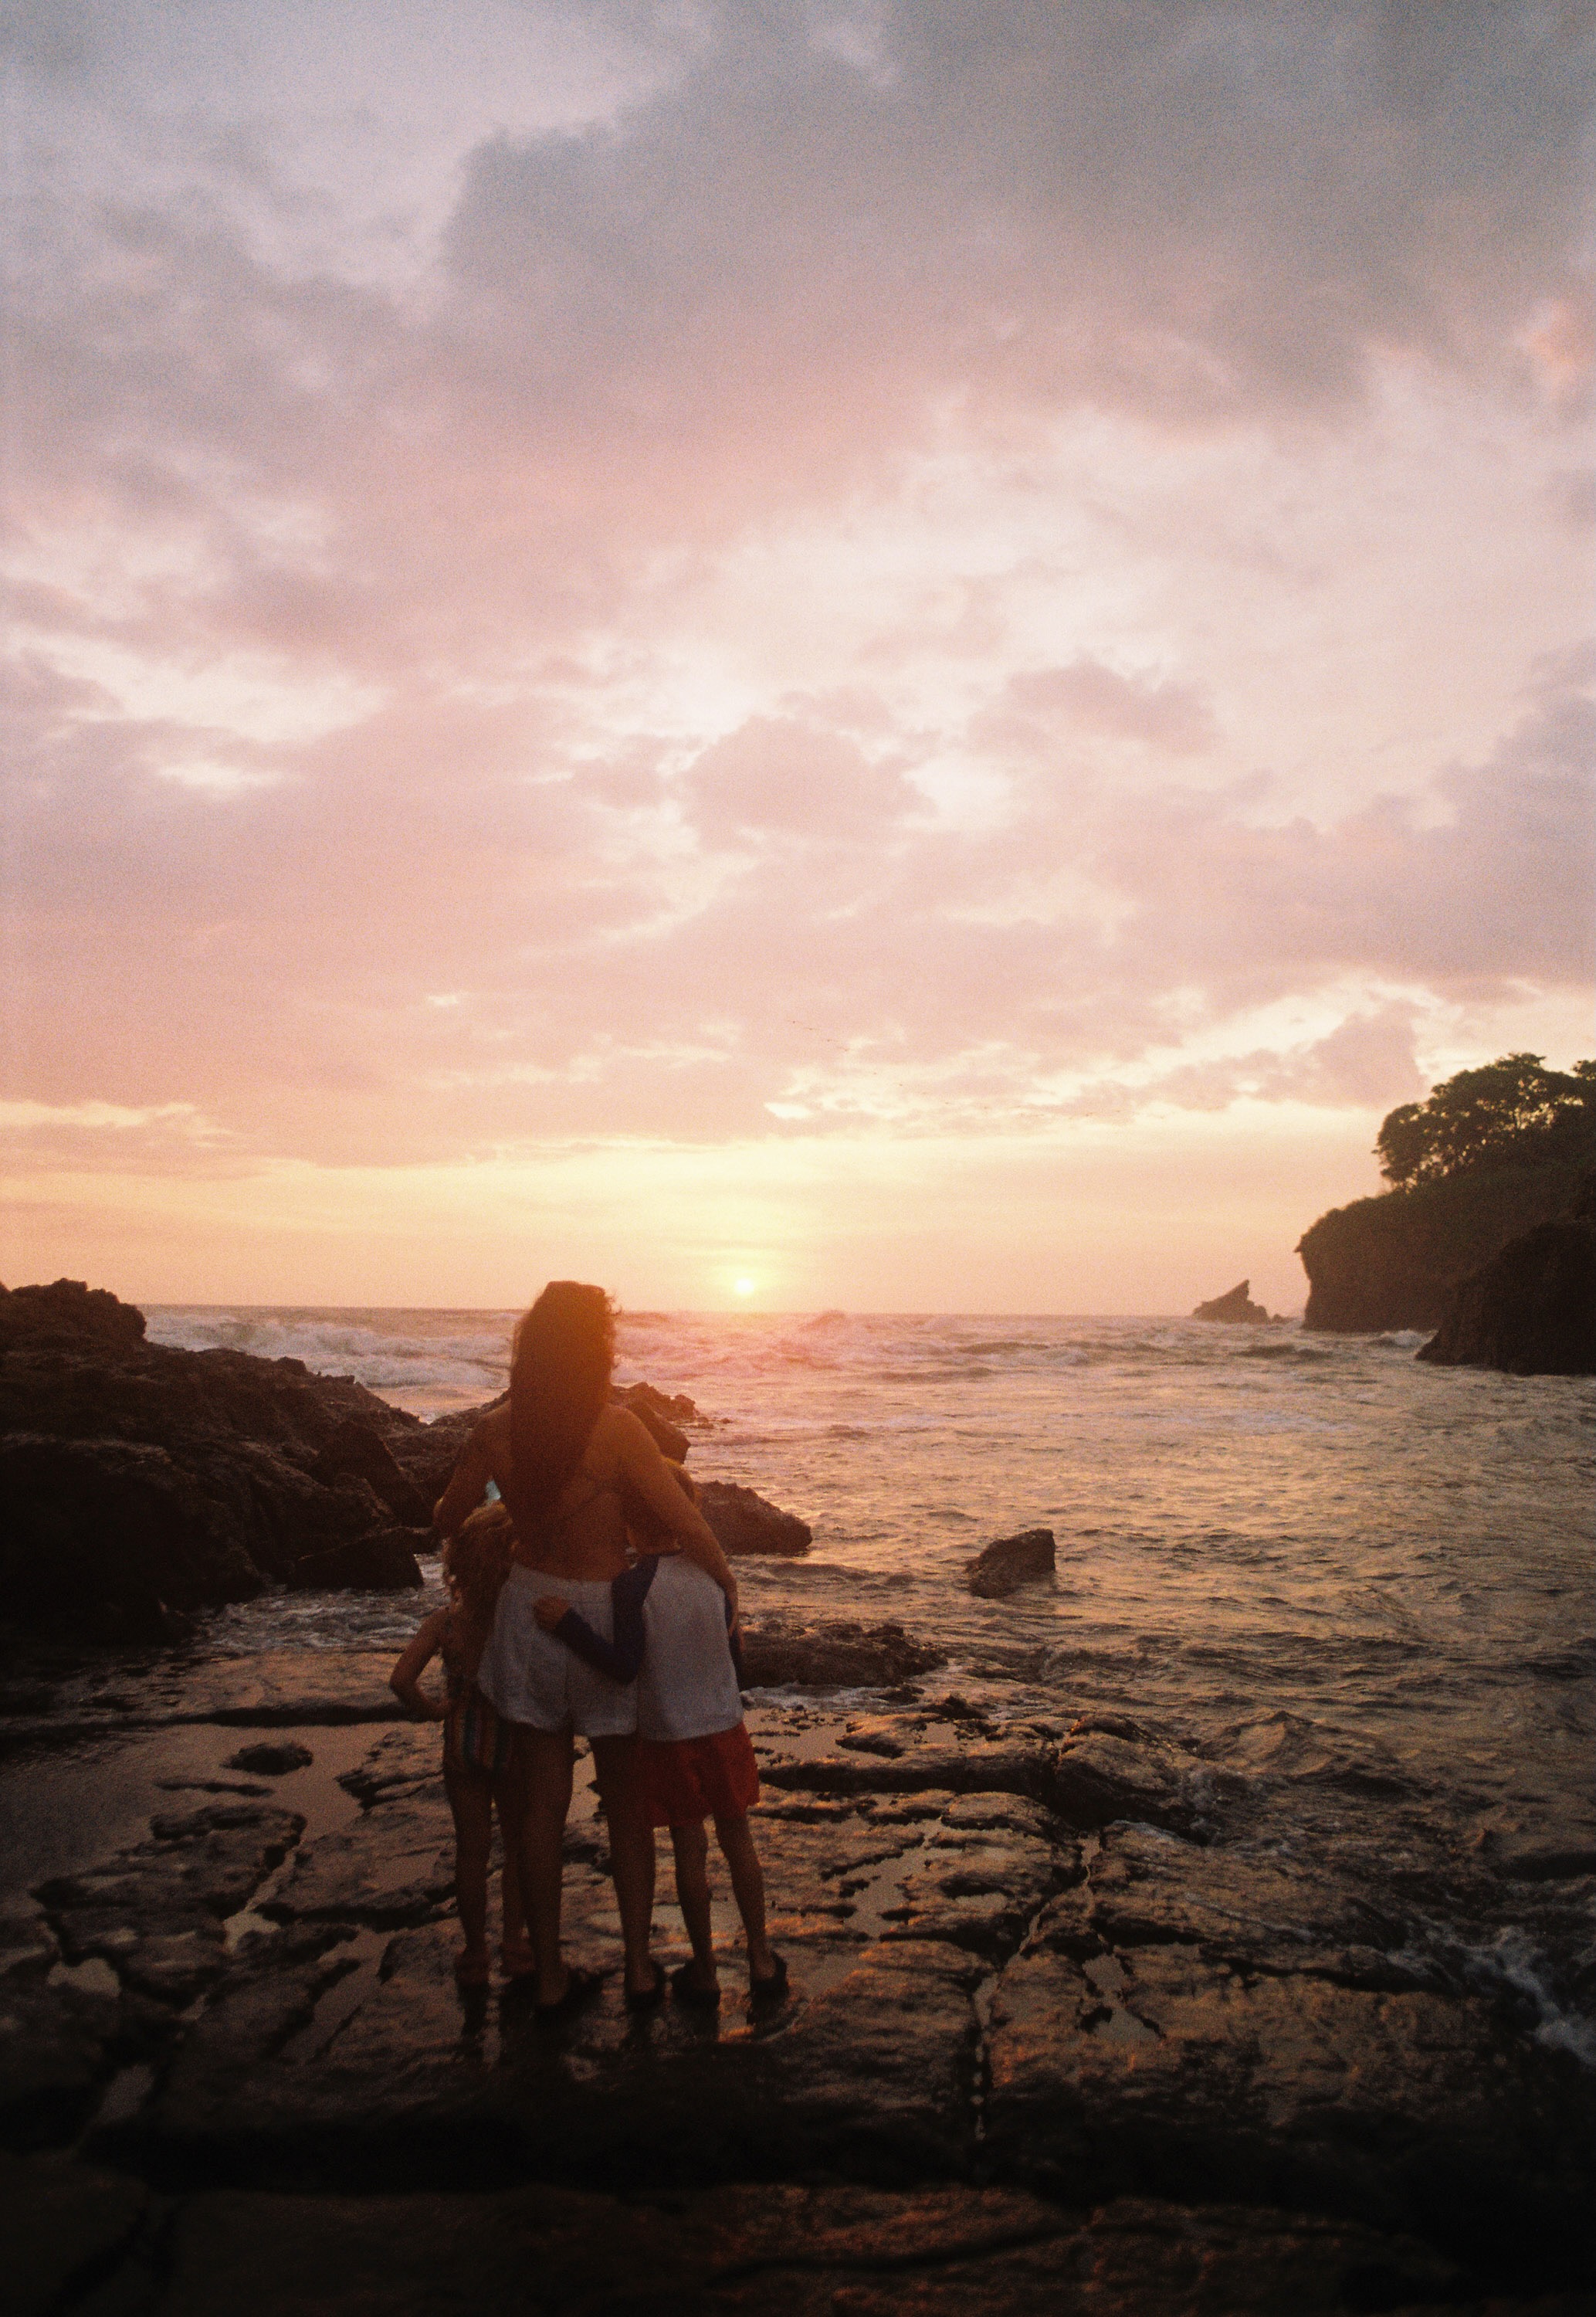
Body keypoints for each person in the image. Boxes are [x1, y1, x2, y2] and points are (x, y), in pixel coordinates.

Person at [432, 1281, 740, 2013]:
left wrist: (496, 1516)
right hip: (604, 1617)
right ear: (594, 1348)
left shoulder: (495, 1429)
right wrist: (726, 1589)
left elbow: (448, 1515)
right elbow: (684, 1525)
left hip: (527, 1616)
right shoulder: (620, 1428)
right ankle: (638, 1969)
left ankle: (547, 1973)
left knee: (541, 1808)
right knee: (626, 1804)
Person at [534, 1544, 787, 2007]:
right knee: (739, 1843)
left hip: (670, 1735)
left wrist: (569, 1626)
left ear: (633, 1521)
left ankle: (706, 1973)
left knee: (690, 1852)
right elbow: (736, 1658)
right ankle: (763, 1960)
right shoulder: (715, 1577)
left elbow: (624, 1668)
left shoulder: (632, 1586)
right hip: (725, 1727)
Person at [388, 1501, 527, 1988]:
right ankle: (514, 1944)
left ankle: (474, 1951)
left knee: (471, 1851)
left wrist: (435, 1711)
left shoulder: (446, 1622)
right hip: (513, 1743)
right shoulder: (519, 1620)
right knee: (517, 1849)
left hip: (461, 1745)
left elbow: (402, 1680)